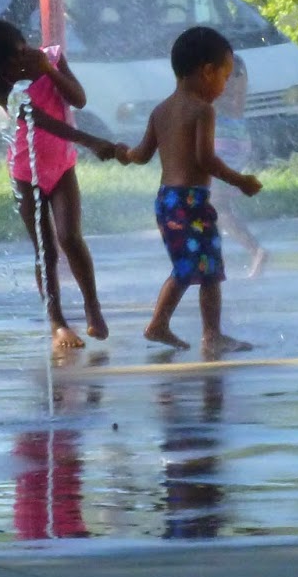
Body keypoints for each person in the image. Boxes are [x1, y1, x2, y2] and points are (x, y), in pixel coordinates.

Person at [0, 16, 123, 352]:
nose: (21, 64)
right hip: (26, 172)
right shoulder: (2, 89)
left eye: (22, 52)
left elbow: (78, 99)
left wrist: (49, 70)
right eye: (10, 64)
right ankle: (57, 322)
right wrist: (91, 142)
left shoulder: (51, 57)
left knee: (70, 237)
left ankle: (93, 306)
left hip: (61, 165)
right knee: (45, 250)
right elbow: (43, 122)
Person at [106, 26, 262, 357]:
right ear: (207, 72)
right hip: (191, 201)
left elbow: (142, 154)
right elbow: (205, 159)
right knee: (204, 269)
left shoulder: (160, 110)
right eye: (225, 75)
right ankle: (201, 333)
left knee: (196, 268)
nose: (225, 86)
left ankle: (172, 326)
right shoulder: (203, 110)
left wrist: (124, 154)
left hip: (167, 201)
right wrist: (240, 181)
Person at [212, 55, 268, 277]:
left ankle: (256, 250)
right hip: (238, 138)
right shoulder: (239, 86)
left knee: (217, 205)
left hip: (222, 140)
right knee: (213, 208)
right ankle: (215, 260)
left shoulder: (219, 93)